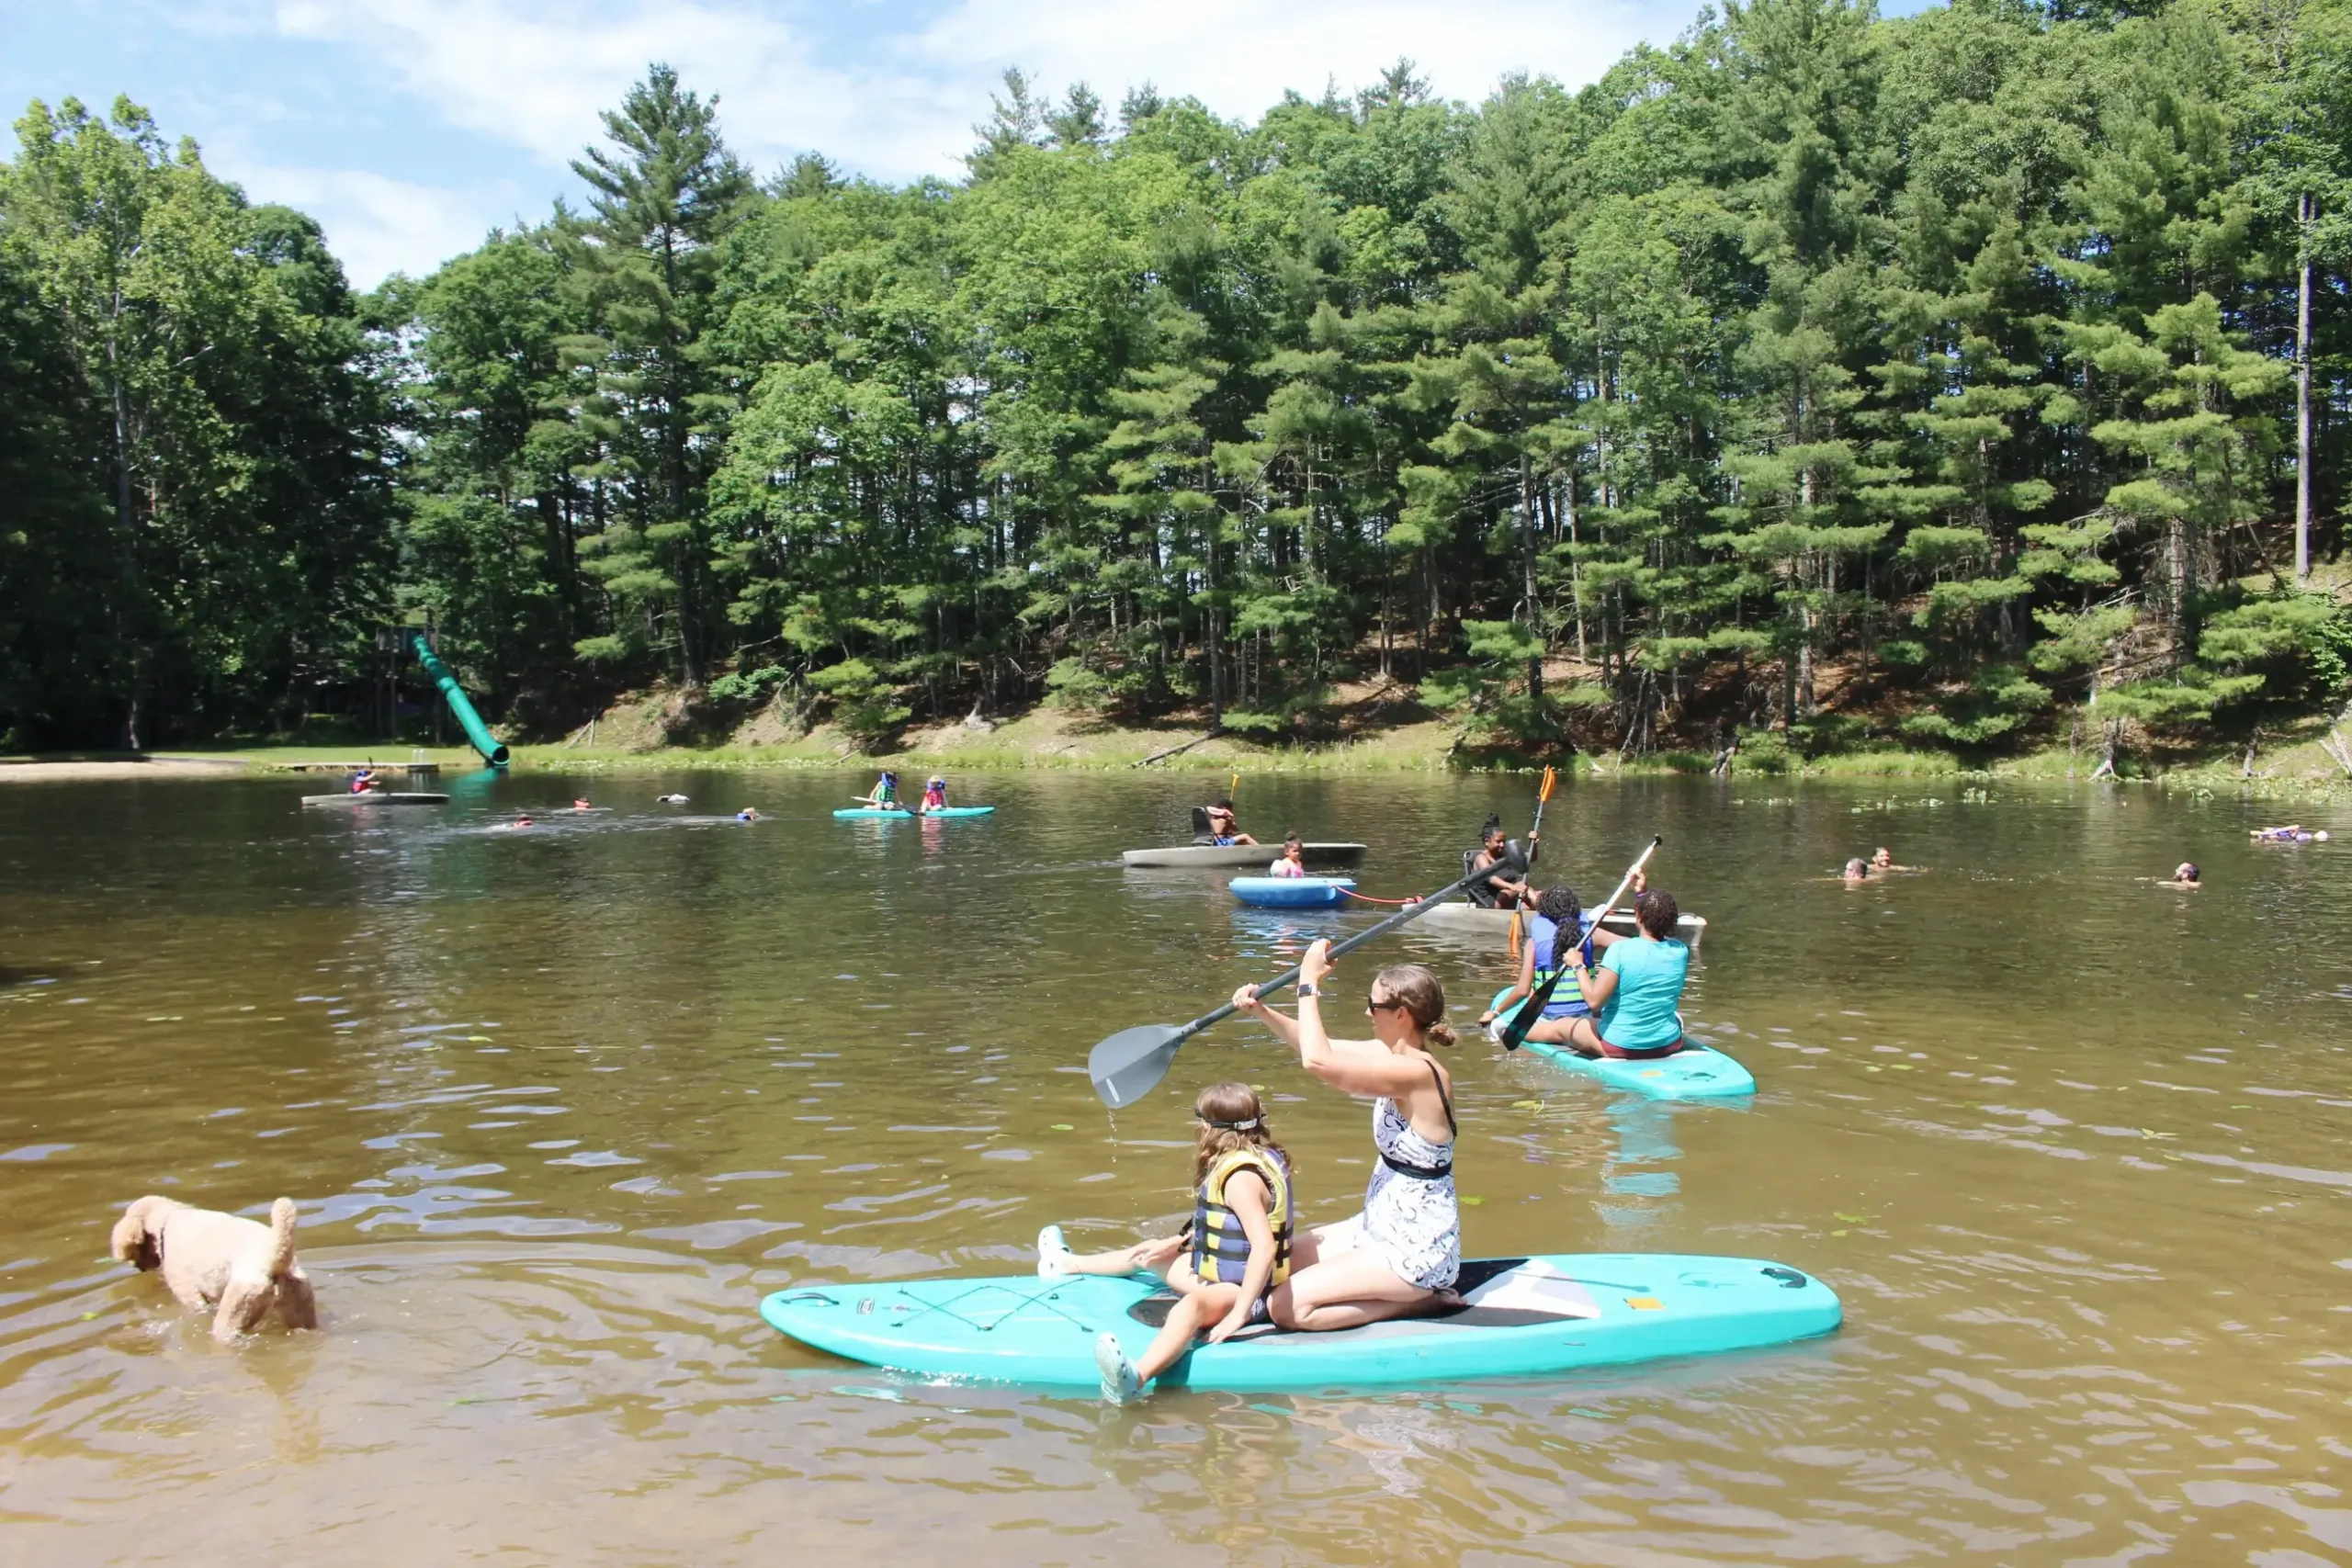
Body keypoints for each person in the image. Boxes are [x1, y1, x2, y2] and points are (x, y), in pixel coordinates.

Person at [1231, 941, 1460, 1331]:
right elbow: (1322, 1046)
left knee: (1285, 1308)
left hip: (1417, 1246)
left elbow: (1319, 1062)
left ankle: (1419, 1301)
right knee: (1273, 1263)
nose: (1367, 1012)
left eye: (1373, 1006)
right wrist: (1263, 1012)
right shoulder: (1389, 1054)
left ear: (1401, 1014)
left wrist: (1308, 982)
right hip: (1376, 1224)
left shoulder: (1421, 1074)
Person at [1048, 1083, 1295, 1404]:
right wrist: (1178, 1245)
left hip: (1247, 1290)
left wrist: (1239, 1313)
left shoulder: (1240, 1179)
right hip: (1220, 1275)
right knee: (1148, 1254)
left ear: (1211, 1127)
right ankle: (1064, 1264)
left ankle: (1135, 1378)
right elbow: (1228, 1231)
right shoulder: (1250, 1159)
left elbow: (1263, 1247)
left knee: (1190, 1308)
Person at [1477, 877, 1639, 1039]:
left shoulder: (1534, 944)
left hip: (1548, 1018)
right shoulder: (1592, 935)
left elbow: (1522, 990)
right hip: (1586, 1017)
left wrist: (1495, 1012)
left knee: (1499, 1025)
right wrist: (1640, 893)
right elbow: (1636, 945)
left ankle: (1502, 1032)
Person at [1553, 887, 1690, 1060]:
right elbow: (1654, 924)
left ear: (1638, 914)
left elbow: (1594, 1002)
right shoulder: (1680, 950)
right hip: (1669, 1043)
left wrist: (1577, 965)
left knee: (1560, 1027)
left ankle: (1510, 1029)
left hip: (1621, 1046)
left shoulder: (1619, 950)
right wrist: (1642, 892)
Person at [1465, 816, 1532, 909]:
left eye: (1504, 841)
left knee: (1538, 895)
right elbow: (1491, 879)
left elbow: (1530, 859)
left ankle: (1546, 911)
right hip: (1490, 902)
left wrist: (1533, 843)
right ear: (1487, 841)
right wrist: (1513, 887)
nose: (1502, 845)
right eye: (1498, 841)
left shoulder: (1504, 855)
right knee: (1520, 888)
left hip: (1509, 897)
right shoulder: (1481, 858)